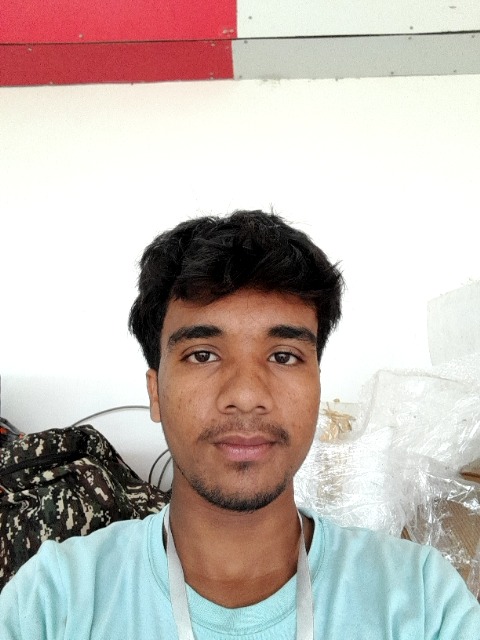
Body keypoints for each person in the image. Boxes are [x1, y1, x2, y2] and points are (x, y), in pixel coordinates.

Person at [1, 210, 479, 639]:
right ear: (155, 392)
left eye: (284, 356)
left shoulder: (422, 601)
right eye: (202, 355)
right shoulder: (51, 603)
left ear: (317, 384)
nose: (247, 395)